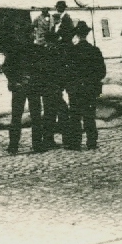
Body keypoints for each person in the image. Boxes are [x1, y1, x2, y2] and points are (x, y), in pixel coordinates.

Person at [65, 22, 105, 151]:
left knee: (75, 116)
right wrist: (91, 81)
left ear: (77, 35)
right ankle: (91, 142)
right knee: (89, 116)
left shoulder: (71, 51)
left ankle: (75, 143)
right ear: (87, 34)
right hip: (90, 89)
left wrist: (70, 85)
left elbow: (66, 72)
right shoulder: (94, 50)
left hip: (75, 89)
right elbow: (102, 72)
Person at [3, 23, 42, 154]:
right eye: (32, 33)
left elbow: (42, 68)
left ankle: (33, 144)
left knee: (32, 115)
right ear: (27, 34)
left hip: (29, 86)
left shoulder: (35, 49)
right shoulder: (17, 49)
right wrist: (14, 81)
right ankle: (15, 145)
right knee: (19, 116)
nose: (34, 35)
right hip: (22, 86)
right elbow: (6, 67)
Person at [35, 30, 68, 151]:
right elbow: (60, 70)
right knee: (62, 111)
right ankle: (66, 139)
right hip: (53, 87)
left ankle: (48, 140)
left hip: (46, 88)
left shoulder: (43, 52)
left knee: (49, 113)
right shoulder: (55, 52)